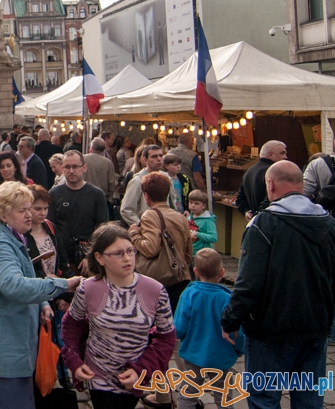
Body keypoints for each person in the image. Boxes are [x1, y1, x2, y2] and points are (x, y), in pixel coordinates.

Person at [221, 160, 335, 408]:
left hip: (270, 329)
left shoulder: (263, 224)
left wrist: (230, 319)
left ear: (270, 185)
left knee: (264, 398)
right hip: (315, 325)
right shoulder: (328, 223)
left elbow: (248, 282)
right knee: (309, 397)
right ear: (302, 185)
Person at [0, 181, 81, 409]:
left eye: (29, 208)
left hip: (6, 351)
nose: (29, 215)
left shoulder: (12, 236)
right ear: (4, 214)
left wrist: (42, 301)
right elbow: (13, 285)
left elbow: (23, 276)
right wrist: (62, 285)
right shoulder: (0, 243)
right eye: (22, 210)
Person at [61, 223, 175, 409]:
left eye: (130, 251)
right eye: (118, 253)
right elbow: (72, 324)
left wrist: (142, 370)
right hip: (98, 374)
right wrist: (73, 358)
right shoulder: (88, 288)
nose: (127, 258)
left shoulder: (155, 290)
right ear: (100, 258)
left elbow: (166, 337)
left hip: (134, 375)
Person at [174, 248, 243, 409]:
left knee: (188, 396)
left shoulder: (189, 294)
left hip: (194, 355)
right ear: (222, 272)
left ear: (195, 271)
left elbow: (178, 328)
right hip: (221, 358)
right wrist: (239, 350)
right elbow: (237, 331)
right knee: (224, 399)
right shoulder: (227, 298)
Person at [127, 172, 192, 311]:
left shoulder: (150, 215)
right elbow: (188, 255)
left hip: (159, 279)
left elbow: (150, 249)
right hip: (180, 278)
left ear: (146, 196)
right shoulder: (180, 217)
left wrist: (134, 233)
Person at [47, 151, 108, 275]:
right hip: (62, 258)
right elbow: (50, 228)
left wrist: (89, 257)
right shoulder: (54, 194)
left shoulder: (96, 195)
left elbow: (103, 229)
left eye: (75, 166)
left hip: (89, 256)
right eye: (67, 167)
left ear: (84, 168)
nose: (71, 171)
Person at [120, 145, 176, 226]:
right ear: (145, 160)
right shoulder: (138, 180)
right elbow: (126, 210)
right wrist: (141, 225)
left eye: (161, 155)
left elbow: (172, 205)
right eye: (154, 156)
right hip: (147, 228)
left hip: (165, 227)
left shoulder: (166, 178)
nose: (159, 159)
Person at [234, 140, 287, 222]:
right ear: (270, 155)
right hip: (270, 222)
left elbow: (240, 199)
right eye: (282, 153)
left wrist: (246, 211)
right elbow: (270, 198)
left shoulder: (249, 171)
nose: (285, 157)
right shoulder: (274, 172)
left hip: (255, 222)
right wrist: (258, 214)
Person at [25, 185, 69, 279]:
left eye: (46, 208)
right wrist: (42, 276)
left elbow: (62, 260)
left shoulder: (50, 226)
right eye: (38, 209)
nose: (43, 213)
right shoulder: (20, 233)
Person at [84, 137, 118, 217]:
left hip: (84, 197)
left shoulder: (82, 159)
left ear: (91, 148)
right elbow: (111, 183)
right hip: (102, 199)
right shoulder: (108, 163)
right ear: (104, 148)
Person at [187, 189, 218, 262]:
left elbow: (213, 238)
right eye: (191, 202)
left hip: (202, 256)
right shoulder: (188, 217)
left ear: (203, 205)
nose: (193, 205)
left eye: (196, 203)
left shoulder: (208, 220)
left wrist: (197, 234)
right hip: (189, 254)